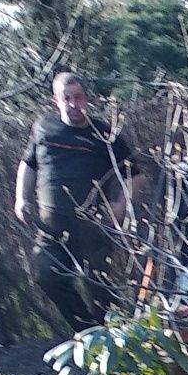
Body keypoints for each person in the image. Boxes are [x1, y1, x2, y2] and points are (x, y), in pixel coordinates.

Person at [14, 72, 136, 333]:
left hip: (91, 228)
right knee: (46, 276)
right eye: (66, 98)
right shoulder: (43, 128)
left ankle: (115, 343)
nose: (73, 104)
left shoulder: (104, 134)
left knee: (99, 290)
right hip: (52, 231)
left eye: (78, 97)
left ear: (86, 99)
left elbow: (136, 175)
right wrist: (21, 198)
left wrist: (120, 205)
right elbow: (28, 164)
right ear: (55, 100)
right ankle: (87, 334)